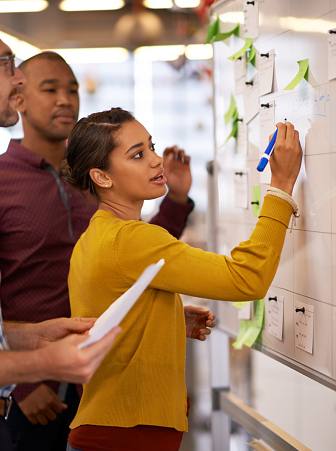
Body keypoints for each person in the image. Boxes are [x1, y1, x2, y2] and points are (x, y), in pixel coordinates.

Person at [0, 51, 215, 450]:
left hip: (106, 379)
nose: (65, 99)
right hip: (35, 388)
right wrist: (22, 383)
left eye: (72, 89)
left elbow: (143, 259)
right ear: (18, 98)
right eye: (50, 89)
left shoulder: (96, 178)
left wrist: (175, 199)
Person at [61, 107, 303, 451]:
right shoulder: (132, 239)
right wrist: (280, 188)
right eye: (138, 154)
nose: (157, 160)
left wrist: (166, 318)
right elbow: (246, 279)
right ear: (102, 177)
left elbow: (107, 322)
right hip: (125, 437)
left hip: (110, 430)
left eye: (151, 146)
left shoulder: (96, 236)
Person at [0, 8, 121, 451]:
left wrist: (33, 336)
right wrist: (32, 371)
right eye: (6, 65)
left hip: (21, 406)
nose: (16, 81)